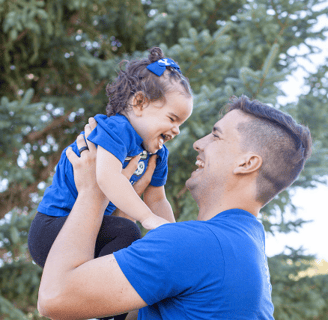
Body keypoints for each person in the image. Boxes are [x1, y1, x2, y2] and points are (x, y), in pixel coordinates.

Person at [37, 95, 312, 320]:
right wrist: (122, 199)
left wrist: (94, 191)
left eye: (215, 136)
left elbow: (54, 298)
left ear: (246, 163)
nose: (197, 143)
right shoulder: (240, 246)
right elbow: (123, 312)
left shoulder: (197, 245)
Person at [28, 47, 193, 268]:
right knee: (128, 232)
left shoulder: (157, 153)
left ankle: (97, 291)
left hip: (92, 228)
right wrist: (147, 217)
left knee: (129, 240)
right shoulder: (116, 129)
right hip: (52, 228)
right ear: (140, 103)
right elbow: (107, 177)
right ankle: (98, 291)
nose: (177, 130)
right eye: (172, 118)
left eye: (181, 124)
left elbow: (157, 199)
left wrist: (173, 237)